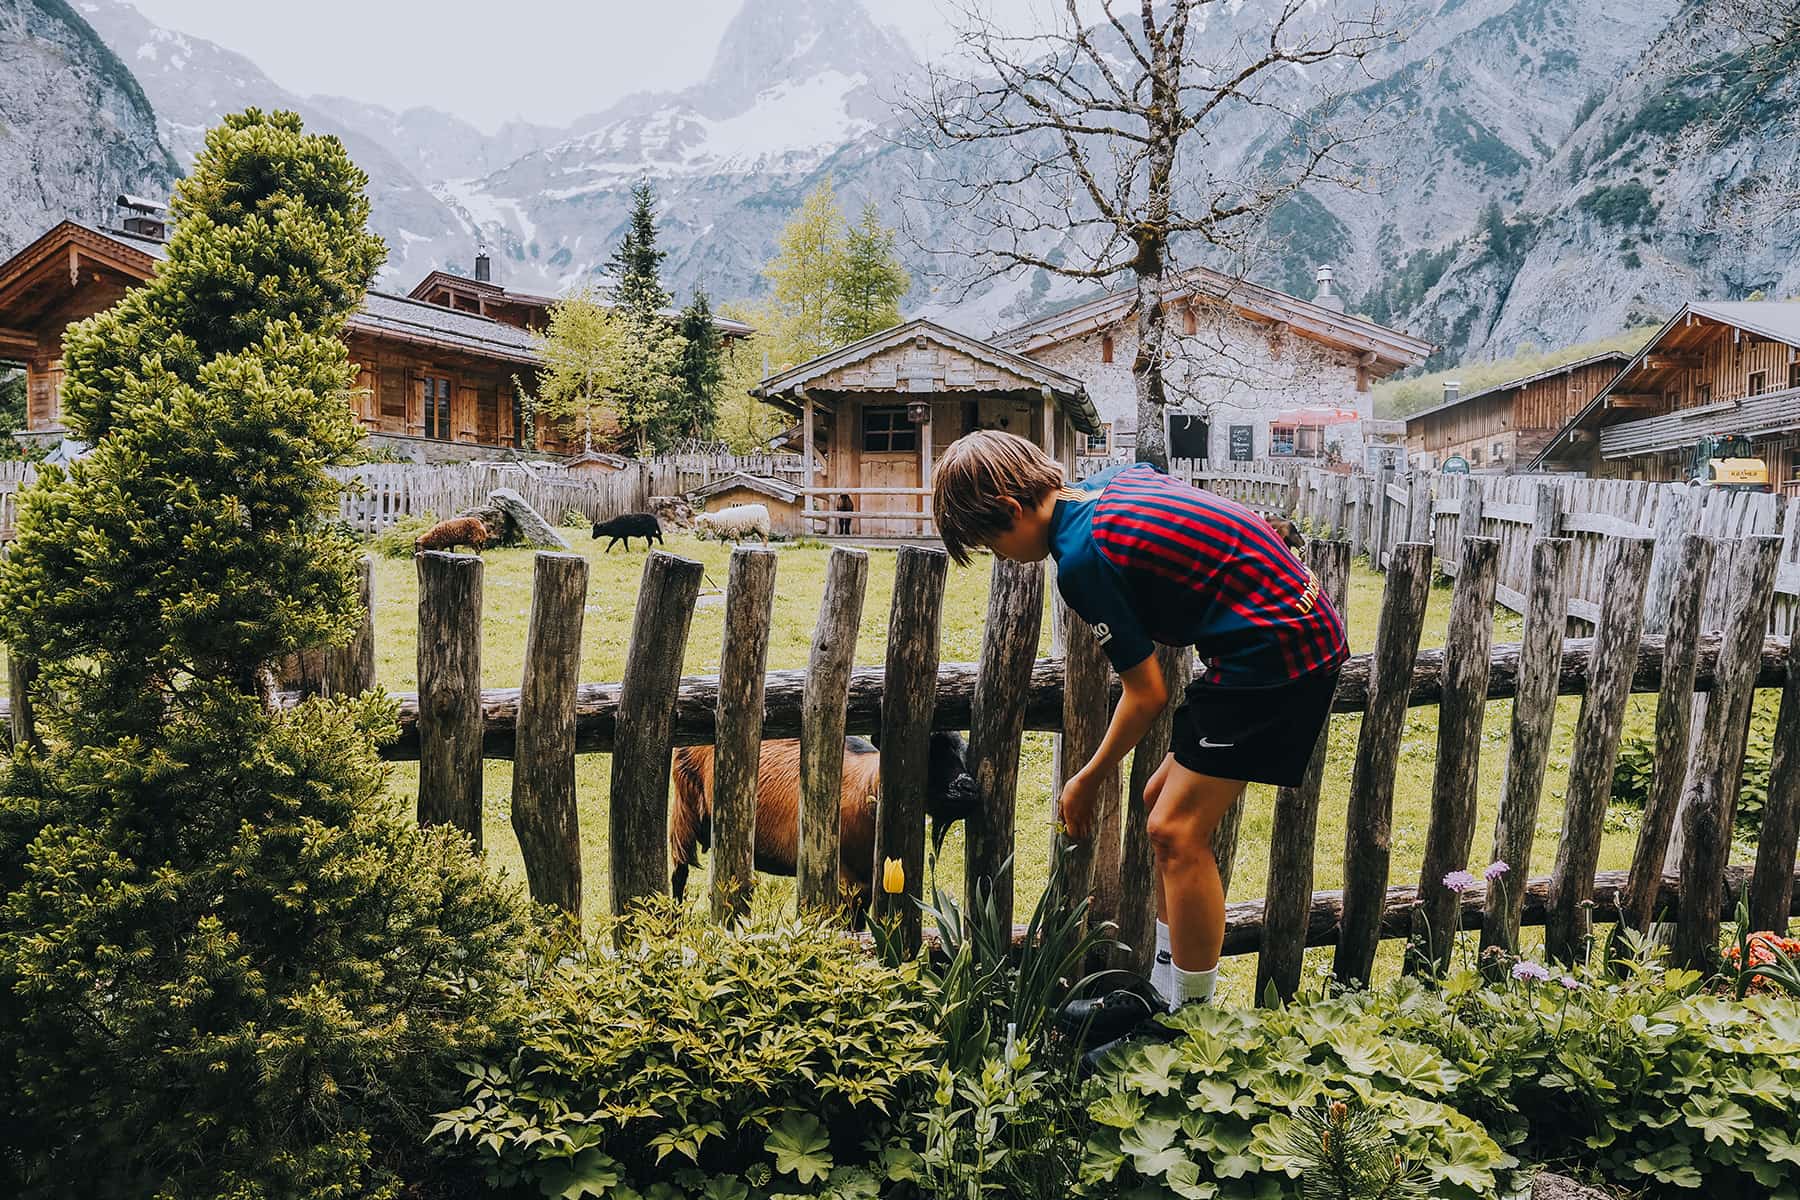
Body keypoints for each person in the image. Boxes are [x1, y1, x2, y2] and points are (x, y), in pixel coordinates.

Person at [933, 430, 1346, 1039]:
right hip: (1270, 634)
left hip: (1276, 653)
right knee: (1159, 804)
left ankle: (1191, 1021)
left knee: (1176, 830)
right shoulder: (1110, 484)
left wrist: (1087, 779)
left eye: (991, 543)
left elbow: (1147, 692)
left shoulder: (1081, 561)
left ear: (1013, 509)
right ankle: (1161, 990)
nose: (1001, 557)